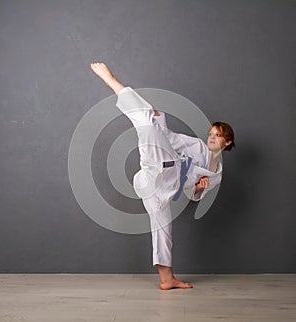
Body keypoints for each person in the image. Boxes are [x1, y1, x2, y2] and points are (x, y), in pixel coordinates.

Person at [90, 62, 235, 290]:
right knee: (148, 121)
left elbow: (191, 193)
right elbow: (171, 139)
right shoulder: (197, 146)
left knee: (163, 232)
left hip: (162, 190)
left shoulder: (216, 174)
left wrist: (198, 189)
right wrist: (159, 120)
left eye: (217, 136)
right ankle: (111, 80)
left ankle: (167, 280)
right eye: (211, 133)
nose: (211, 138)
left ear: (227, 143)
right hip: (157, 166)